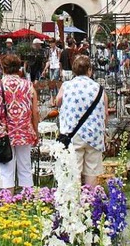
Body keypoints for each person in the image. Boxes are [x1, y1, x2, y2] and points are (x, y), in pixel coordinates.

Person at [0, 55, 39, 195]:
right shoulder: (28, 85)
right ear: (19, 68)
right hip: (24, 130)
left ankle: (7, 200)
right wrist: (36, 130)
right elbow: (35, 111)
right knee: (25, 166)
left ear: (3, 68)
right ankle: (28, 198)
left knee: (6, 169)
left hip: (4, 132)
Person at [55, 55, 107, 186]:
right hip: (94, 133)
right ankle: (90, 199)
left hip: (73, 134)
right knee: (92, 170)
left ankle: (75, 200)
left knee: (74, 169)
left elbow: (57, 101)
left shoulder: (67, 86)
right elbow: (105, 112)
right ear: (89, 70)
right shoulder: (99, 88)